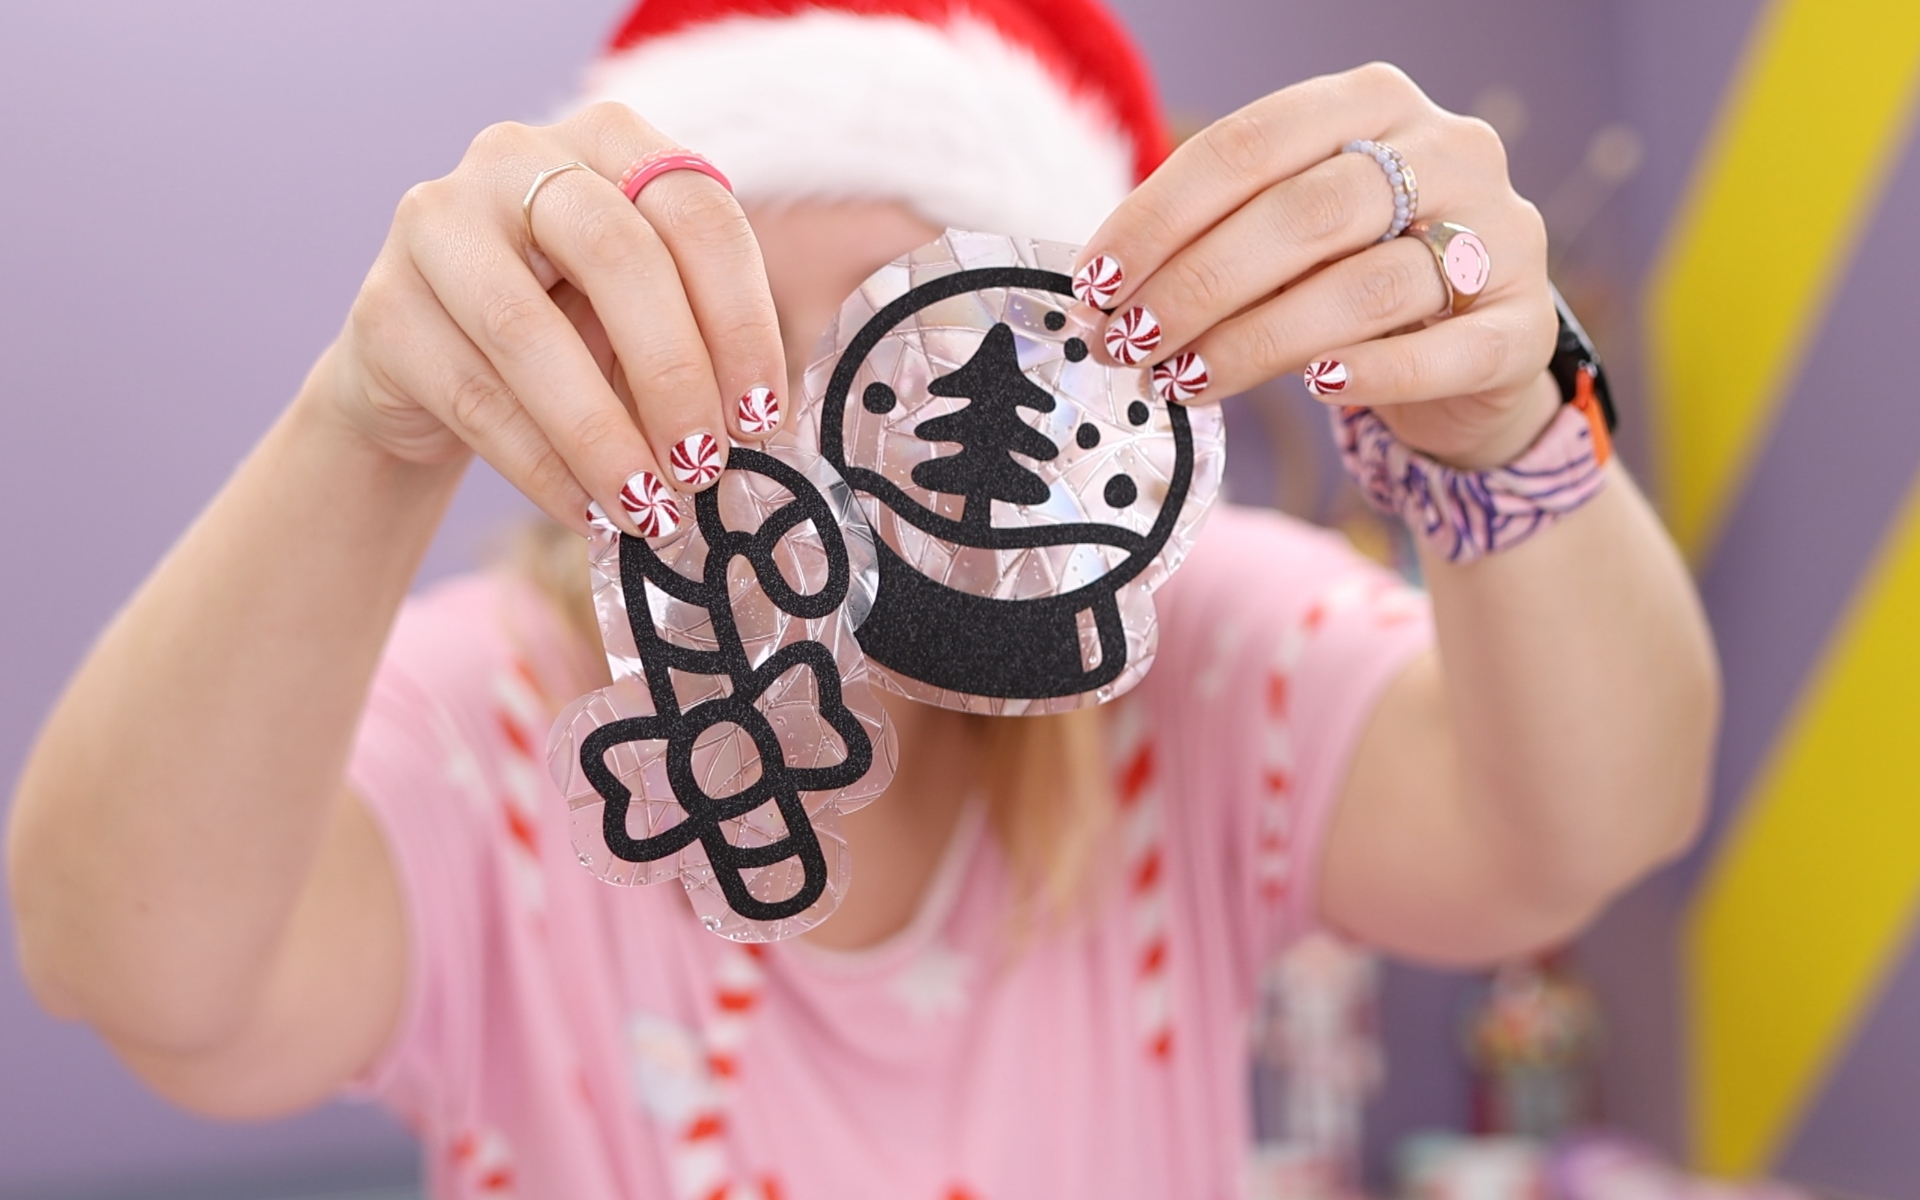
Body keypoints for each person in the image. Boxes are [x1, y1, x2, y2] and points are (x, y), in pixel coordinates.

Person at [6, 1, 1719, 1195]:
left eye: (888, 332)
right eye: (733, 336)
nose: (813, 428)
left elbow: (1586, 820)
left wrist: (1512, 426)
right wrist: (368, 425)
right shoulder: (508, 712)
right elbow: (140, 971)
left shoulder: (1192, 657)